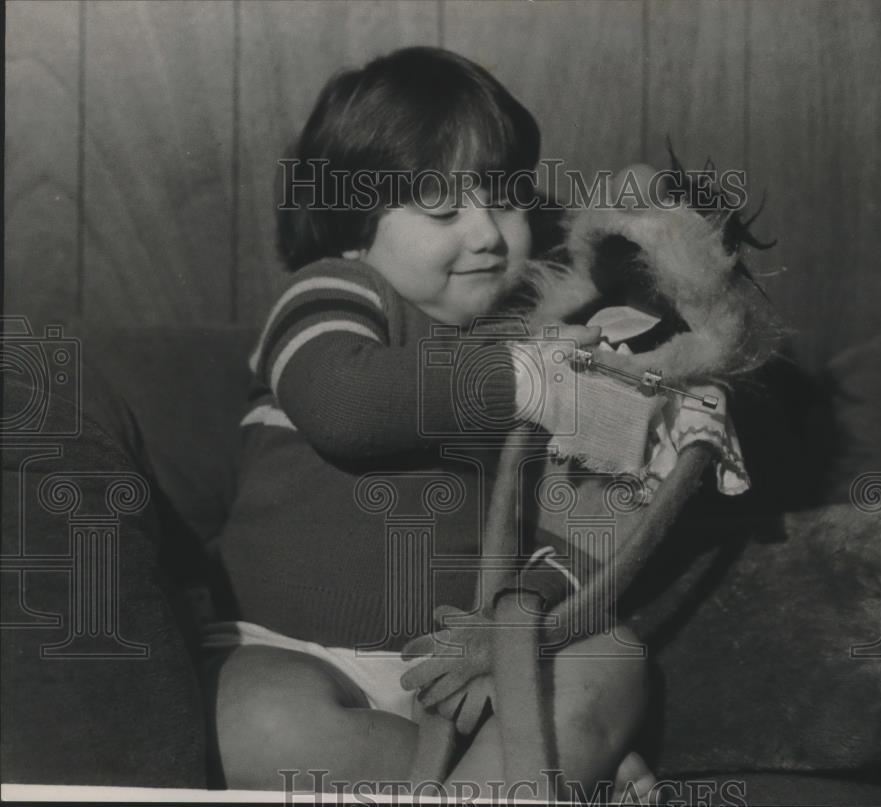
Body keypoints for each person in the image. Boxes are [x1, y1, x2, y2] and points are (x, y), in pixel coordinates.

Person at [210, 46, 655, 800]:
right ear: (354, 223)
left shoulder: (544, 339)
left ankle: (523, 769)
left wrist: (525, 623)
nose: (486, 233)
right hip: (300, 651)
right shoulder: (334, 293)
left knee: (612, 658)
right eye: (443, 207)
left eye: (506, 199)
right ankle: (531, 781)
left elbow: (584, 520)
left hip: (474, 665)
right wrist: (521, 380)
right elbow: (342, 406)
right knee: (261, 727)